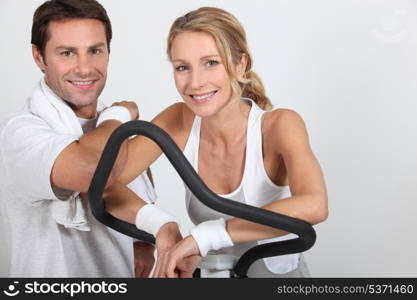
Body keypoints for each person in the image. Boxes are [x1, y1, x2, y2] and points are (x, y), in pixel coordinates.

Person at [103, 6, 328, 278]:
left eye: (211, 62)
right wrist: (162, 225)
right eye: (182, 67)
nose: (196, 82)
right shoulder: (178, 120)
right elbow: (104, 183)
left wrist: (205, 236)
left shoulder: (280, 125)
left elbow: (315, 205)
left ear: (239, 64)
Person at [0, 0, 176, 277]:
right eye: (67, 53)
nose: (84, 68)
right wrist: (118, 118)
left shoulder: (111, 125)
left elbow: (134, 175)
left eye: (95, 50)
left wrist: (143, 242)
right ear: (38, 57)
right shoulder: (22, 131)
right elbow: (94, 172)